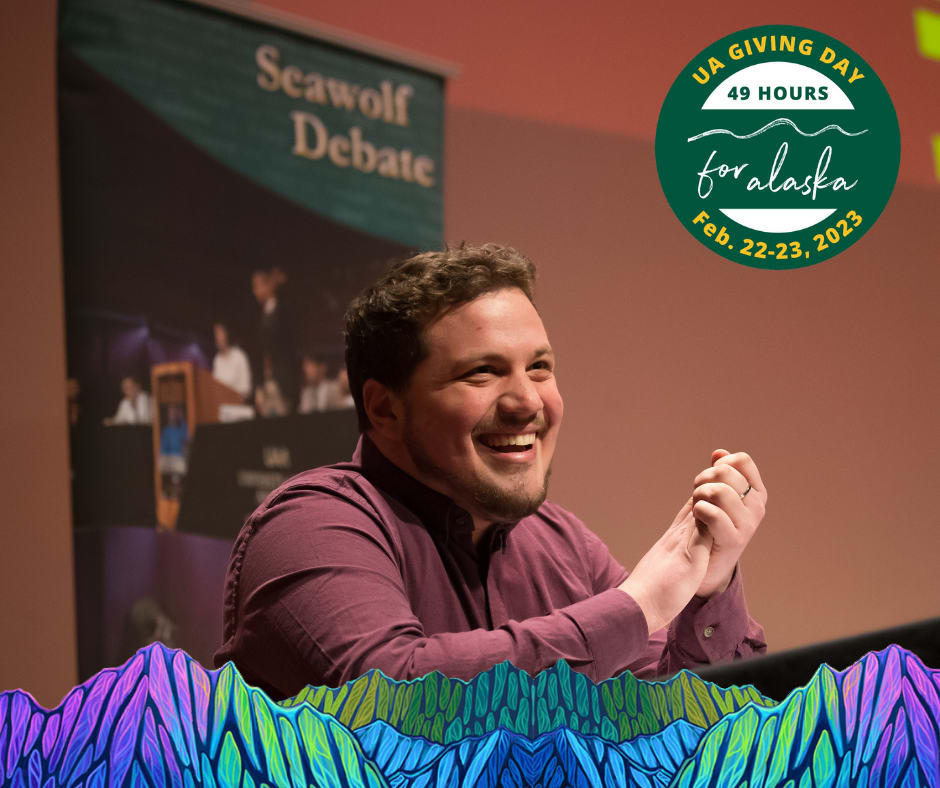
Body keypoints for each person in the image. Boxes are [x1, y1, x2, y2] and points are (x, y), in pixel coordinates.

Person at [215, 245, 767, 699]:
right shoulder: (309, 526)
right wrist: (639, 605)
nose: (528, 401)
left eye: (539, 368)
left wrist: (705, 586)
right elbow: (390, 696)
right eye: (483, 372)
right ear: (385, 408)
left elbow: (688, 725)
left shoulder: (564, 544)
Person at [211, 322, 252, 400]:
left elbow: (246, 388)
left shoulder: (239, 356)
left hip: (238, 406)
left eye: (220, 333)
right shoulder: (216, 359)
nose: (218, 338)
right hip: (220, 405)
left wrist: (231, 396)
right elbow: (215, 386)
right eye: (216, 334)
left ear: (227, 334)